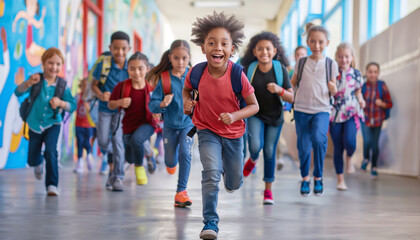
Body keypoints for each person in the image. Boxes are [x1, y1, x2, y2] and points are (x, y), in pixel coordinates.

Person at [183, 12, 259, 239]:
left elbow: (254, 106)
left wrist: (235, 116)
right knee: (211, 173)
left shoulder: (237, 74)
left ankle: (231, 177)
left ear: (232, 49)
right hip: (206, 129)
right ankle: (210, 223)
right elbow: (187, 89)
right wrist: (188, 101)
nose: (218, 47)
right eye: (212, 43)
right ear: (203, 48)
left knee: (234, 182)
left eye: (224, 43)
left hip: (234, 133)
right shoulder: (196, 72)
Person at [240, 31, 294, 205]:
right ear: (254, 51)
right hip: (255, 114)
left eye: (268, 49)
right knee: (255, 146)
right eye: (260, 49)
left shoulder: (280, 69)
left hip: (275, 117)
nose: (264, 52)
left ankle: (268, 190)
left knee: (270, 151)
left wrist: (279, 90)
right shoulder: (250, 69)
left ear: (275, 50)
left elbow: (291, 97)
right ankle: (253, 158)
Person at [14, 47, 76, 196]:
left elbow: (72, 105)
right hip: (34, 124)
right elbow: (18, 92)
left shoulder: (62, 85)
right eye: (50, 63)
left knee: (51, 151)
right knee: (32, 159)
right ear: (43, 63)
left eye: (57, 64)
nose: (54, 67)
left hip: (53, 123)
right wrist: (28, 83)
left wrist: (61, 103)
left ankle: (52, 185)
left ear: (61, 65)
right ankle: (38, 162)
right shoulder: (36, 80)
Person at [290, 23, 338, 196]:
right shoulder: (301, 62)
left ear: (327, 43)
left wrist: (333, 88)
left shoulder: (331, 64)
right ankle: (305, 178)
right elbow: (293, 83)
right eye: (313, 42)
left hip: (322, 110)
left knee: (319, 140)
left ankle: (318, 176)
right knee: (303, 147)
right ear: (308, 42)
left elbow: (334, 88)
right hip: (302, 109)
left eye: (320, 42)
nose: (317, 46)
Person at [148, 40, 195, 208]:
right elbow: (152, 104)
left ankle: (181, 191)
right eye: (176, 58)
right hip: (169, 126)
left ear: (189, 58)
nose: (180, 62)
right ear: (170, 58)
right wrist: (161, 103)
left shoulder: (194, 76)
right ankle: (170, 164)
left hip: (189, 125)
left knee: (186, 152)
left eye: (184, 58)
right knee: (170, 160)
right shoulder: (164, 78)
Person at [108, 52, 157, 185]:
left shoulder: (152, 89)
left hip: (147, 124)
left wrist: (158, 112)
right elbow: (110, 104)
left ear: (147, 69)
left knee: (137, 140)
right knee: (129, 157)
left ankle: (139, 168)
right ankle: (150, 154)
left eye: (140, 68)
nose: (136, 72)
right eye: (132, 68)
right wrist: (120, 102)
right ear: (128, 69)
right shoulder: (122, 87)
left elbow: (161, 106)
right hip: (128, 126)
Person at [90, 31, 130, 191]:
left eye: (123, 49)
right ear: (110, 48)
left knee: (118, 141)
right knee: (103, 142)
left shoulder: (130, 67)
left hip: (122, 112)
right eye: (116, 48)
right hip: (105, 109)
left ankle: (118, 176)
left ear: (129, 49)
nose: (119, 52)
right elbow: (93, 85)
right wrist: (101, 94)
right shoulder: (104, 65)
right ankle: (113, 165)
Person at [330, 43, 366, 190]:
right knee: (338, 147)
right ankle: (340, 180)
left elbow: (358, 91)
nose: (343, 60)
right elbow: (328, 92)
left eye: (346, 57)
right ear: (336, 58)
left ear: (351, 58)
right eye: (340, 56)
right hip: (335, 113)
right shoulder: (332, 73)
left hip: (351, 112)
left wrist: (361, 99)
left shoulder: (356, 74)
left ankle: (349, 158)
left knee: (351, 143)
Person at [360, 62, 392, 178]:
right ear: (366, 73)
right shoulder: (363, 86)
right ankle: (365, 159)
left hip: (378, 120)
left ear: (378, 73)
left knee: (375, 145)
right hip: (365, 118)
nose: (372, 74)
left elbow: (389, 103)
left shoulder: (382, 85)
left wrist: (382, 103)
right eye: (370, 72)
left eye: (375, 72)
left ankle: (374, 166)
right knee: (367, 141)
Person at [73, 78, 96, 173]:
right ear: (81, 86)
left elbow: (95, 111)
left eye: (87, 86)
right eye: (83, 85)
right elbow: (72, 106)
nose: (85, 88)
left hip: (89, 125)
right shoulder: (78, 96)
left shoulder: (92, 98)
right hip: (79, 124)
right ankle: (80, 162)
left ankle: (89, 155)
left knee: (87, 141)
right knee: (79, 142)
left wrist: (89, 107)